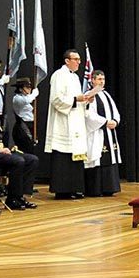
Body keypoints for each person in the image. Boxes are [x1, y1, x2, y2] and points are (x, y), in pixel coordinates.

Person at [45, 49, 92, 199]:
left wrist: (86, 100)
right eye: (76, 59)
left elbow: (78, 99)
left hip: (76, 120)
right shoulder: (59, 75)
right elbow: (56, 99)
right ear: (67, 60)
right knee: (63, 156)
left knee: (75, 155)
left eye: (79, 59)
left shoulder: (75, 78)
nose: (79, 62)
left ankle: (75, 187)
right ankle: (62, 190)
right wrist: (75, 100)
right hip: (63, 122)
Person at [84, 70, 122, 197]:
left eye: (103, 79)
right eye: (99, 79)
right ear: (93, 80)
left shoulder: (106, 94)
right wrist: (105, 122)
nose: (101, 81)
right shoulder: (89, 95)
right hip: (98, 132)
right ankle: (96, 189)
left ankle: (110, 187)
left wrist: (115, 121)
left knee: (110, 158)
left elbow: (115, 111)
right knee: (98, 158)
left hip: (110, 132)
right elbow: (88, 114)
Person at [12, 77, 39, 154]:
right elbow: (27, 101)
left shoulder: (26, 97)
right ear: (20, 89)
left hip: (30, 124)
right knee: (25, 149)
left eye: (30, 87)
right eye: (27, 87)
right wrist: (34, 94)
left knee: (31, 148)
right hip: (22, 126)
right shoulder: (17, 98)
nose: (29, 89)